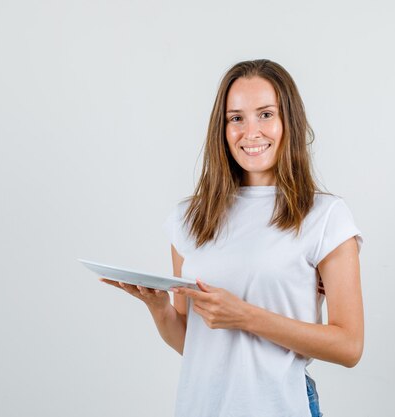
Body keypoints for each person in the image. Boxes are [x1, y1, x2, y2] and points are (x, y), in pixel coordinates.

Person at [101, 59, 364, 417]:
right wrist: (160, 309)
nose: (251, 132)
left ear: (289, 121)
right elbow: (195, 344)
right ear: (222, 129)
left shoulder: (324, 216)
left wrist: (244, 316)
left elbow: (350, 346)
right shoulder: (191, 218)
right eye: (236, 118)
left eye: (266, 114)